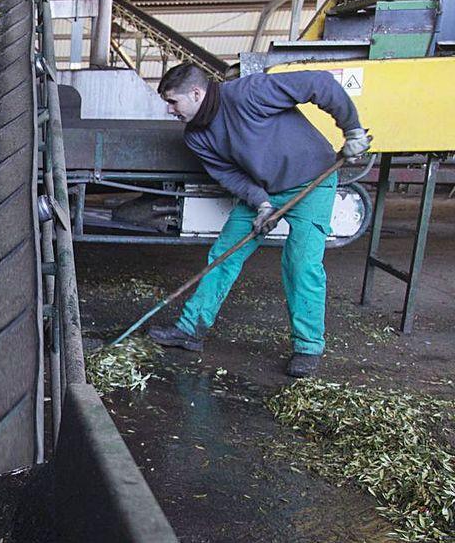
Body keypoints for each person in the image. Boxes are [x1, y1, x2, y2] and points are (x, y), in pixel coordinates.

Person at [148, 63, 370, 377]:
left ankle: (307, 347)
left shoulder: (249, 93)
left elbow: (320, 83)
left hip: (313, 181)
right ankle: (190, 330)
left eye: (173, 102)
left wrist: (352, 130)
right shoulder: (196, 136)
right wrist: (261, 203)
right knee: (224, 254)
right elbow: (228, 174)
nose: (170, 110)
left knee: (301, 263)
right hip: (264, 191)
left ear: (196, 93)